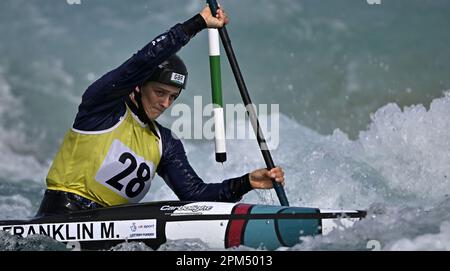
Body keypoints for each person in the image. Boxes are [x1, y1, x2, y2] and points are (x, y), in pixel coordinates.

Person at [36, 5, 285, 217]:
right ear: (138, 86)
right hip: (61, 216)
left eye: (173, 97)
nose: (166, 104)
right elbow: (141, 62)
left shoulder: (165, 143)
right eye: (159, 92)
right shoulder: (101, 107)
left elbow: (195, 196)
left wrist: (246, 182)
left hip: (116, 228)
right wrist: (196, 24)